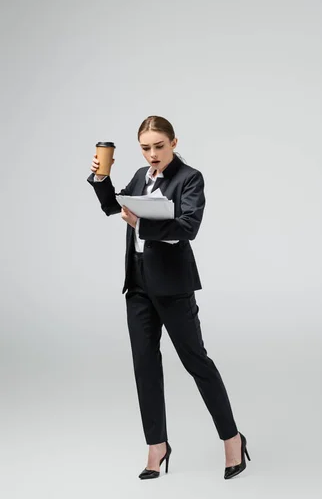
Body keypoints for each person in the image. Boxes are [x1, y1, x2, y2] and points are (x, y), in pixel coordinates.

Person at [87, 115, 250, 480]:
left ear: (174, 143)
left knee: (197, 362)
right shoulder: (141, 178)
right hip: (139, 285)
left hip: (174, 288)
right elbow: (115, 207)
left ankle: (232, 438)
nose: (152, 154)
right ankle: (156, 445)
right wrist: (101, 179)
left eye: (159, 146)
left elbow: (188, 227)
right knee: (144, 366)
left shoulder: (189, 178)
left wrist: (142, 224)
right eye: (145, 148)